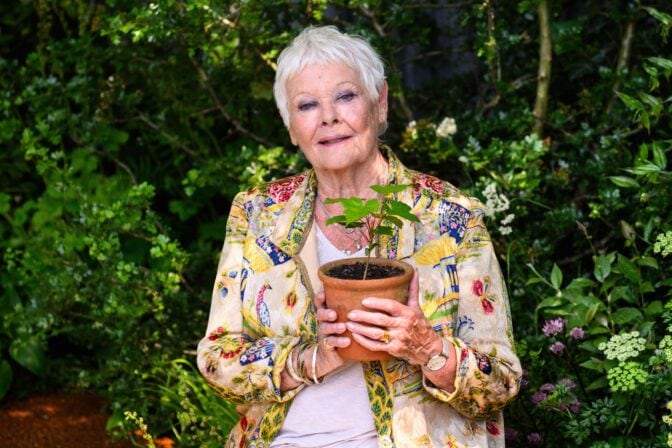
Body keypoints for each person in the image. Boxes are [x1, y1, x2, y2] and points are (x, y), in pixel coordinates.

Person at [197, 25, 521, 448]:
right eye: (307, 105)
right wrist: (308, 358)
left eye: (345, 96)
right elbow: (216, 359)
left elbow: (502, 383)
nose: (329, 117)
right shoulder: (258, 214)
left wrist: (427, 348)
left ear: (379, 103)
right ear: (291, 126)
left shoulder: (449, 216)